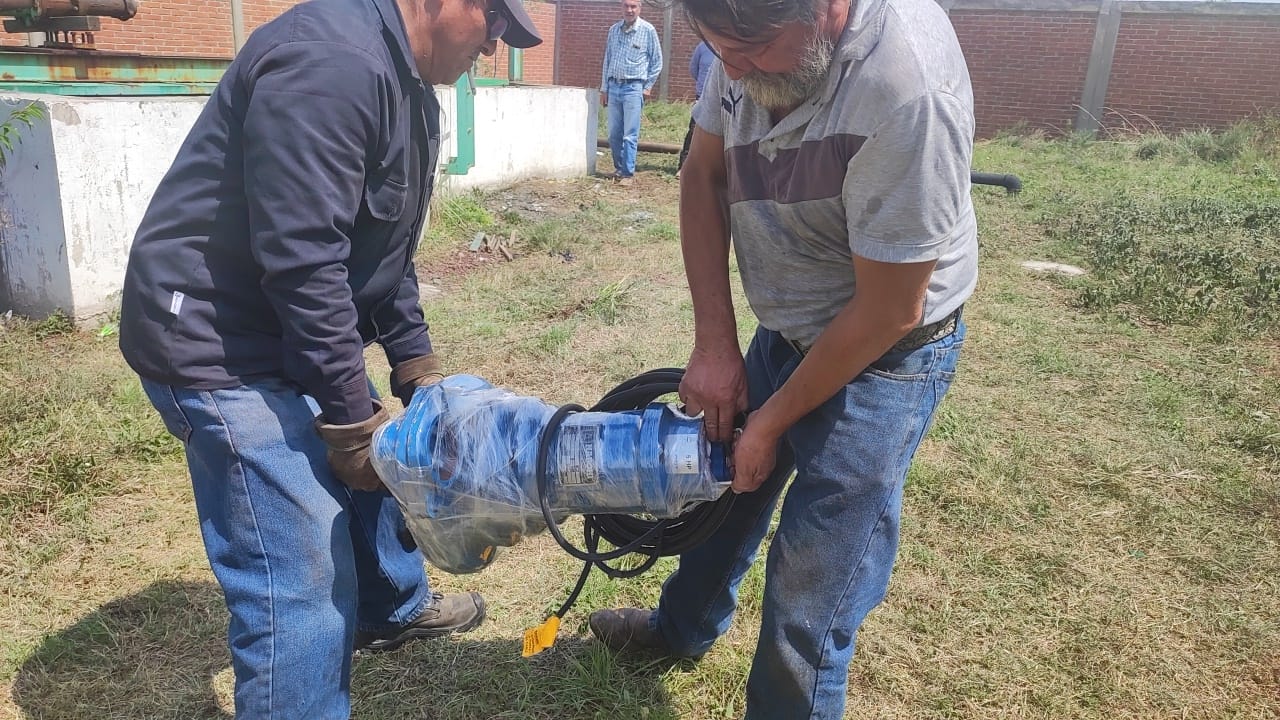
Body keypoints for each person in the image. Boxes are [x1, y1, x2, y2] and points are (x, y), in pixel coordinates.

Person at [117, 0, 540, 716]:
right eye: (494, 21)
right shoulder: (331, 65)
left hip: (287, 324)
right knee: (300, 559)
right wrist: (351, 422)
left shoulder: (409, 87)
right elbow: (305, 265)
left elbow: (383, 251)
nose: (496, 46)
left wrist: (417, 374)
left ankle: (391, 607)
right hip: (219, 343)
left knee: (389, 443)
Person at [587, 0, 975, 717]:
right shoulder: (741, 42)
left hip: (886, 354)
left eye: (754, 51)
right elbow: (703, 175)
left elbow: (890, 308)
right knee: (719, 493)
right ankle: (679, 630)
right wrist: (715, 343)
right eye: (718, 51)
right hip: (786, 325)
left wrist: (770, 423)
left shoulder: (907, 88)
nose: (730, 72)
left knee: (813, 578)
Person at [600, 0, 663, 186]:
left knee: (630, 134)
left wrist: (647, 86)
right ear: (621, 7)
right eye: (626, 6)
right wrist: (604, 88)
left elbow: (657, 62)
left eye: (633, 6)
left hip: (633, 88)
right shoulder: (613, 30)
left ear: (639, 8)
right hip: (614, 87)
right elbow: (607, 60)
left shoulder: (648, 30)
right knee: (613, 134)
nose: (629, 10)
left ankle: (627, 174)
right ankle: (619, 168)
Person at [677, 40, 714, 175]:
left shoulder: (728, 45)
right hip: (702, 97)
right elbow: (694, 69)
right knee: (693, 132)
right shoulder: (702, 46)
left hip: (722, 99)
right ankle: (683, 167)